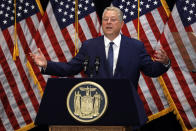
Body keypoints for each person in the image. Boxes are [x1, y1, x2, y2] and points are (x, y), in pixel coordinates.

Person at [30, 6, 170, 128]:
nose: (108, 22)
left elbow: (151, 70)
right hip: (96, 111)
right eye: (105, 19)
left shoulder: (136, 46)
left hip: (128, 110)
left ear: (121, 23)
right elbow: (70, 68)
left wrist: (164, 63)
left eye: (113, 19)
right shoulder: (89, 46)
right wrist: (47, 64)